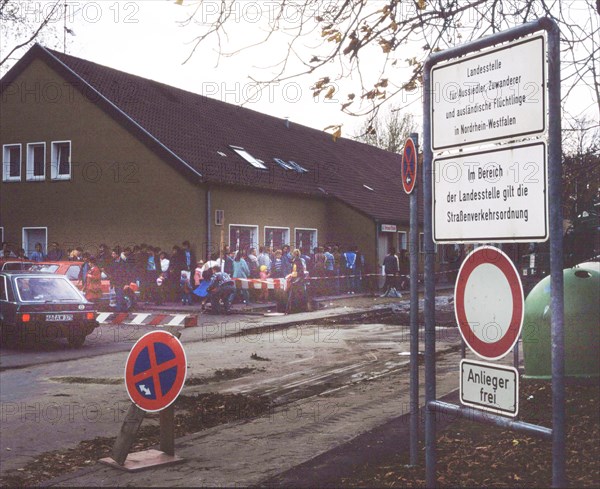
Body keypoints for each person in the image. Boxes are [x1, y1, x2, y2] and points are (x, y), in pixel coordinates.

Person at [285, 249, 307, 314]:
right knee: (294, 294)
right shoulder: (294, 261)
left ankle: (298, 308)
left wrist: (298, 278)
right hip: (295, 278)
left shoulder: (298, 260)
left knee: (297, 294)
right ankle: (294, 308)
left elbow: (300, 270)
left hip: (298, 279)